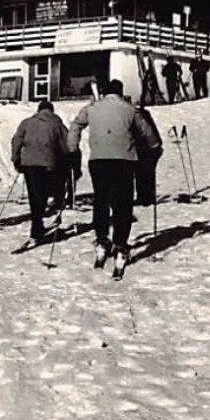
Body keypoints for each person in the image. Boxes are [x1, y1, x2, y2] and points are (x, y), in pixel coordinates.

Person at [67, 78, 163, 280]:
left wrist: (73, 149)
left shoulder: (92, 108)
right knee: (122, 204)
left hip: (98, 161)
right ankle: (120, 245)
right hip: (124, 162)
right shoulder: (130, 109)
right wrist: (153, 148)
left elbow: (76, 125)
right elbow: (150, 137)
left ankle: (102, 241)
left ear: (105, 92)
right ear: (120, 93)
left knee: (101, 201)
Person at [10, 99, 70, 241]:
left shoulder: (27, 122)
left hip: (29, 164)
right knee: (43, 194)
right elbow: (66, 144)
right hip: (49, 163)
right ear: (51, 110)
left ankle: (36, 224)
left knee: (34, 194)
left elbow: (16, 140)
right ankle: (37, 225)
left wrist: (16, 158)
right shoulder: (57, 123)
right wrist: (68, 160)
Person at [133, 100, 163, 208]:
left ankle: (146, 197)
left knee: (143, 171)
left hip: (147, 147)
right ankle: (146, 196)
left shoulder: (136, 115)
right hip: (150, 146)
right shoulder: (142, 113)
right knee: (146, 172)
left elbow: (147, 132)